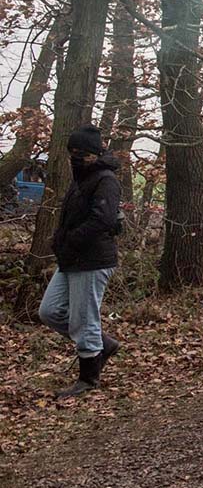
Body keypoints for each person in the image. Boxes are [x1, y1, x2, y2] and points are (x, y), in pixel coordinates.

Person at [39, 125, 122, 397]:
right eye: (72, 152)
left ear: (95, 154)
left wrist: (71, 239)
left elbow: (103, 220)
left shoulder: (106, 179)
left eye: (82, 153)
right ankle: (102, 344)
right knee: (49, 311)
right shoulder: (80, 179)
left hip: (93, 259)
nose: (76, 157)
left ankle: (88, 379)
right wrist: (60, 241)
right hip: (71, 258)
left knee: (82, 319)